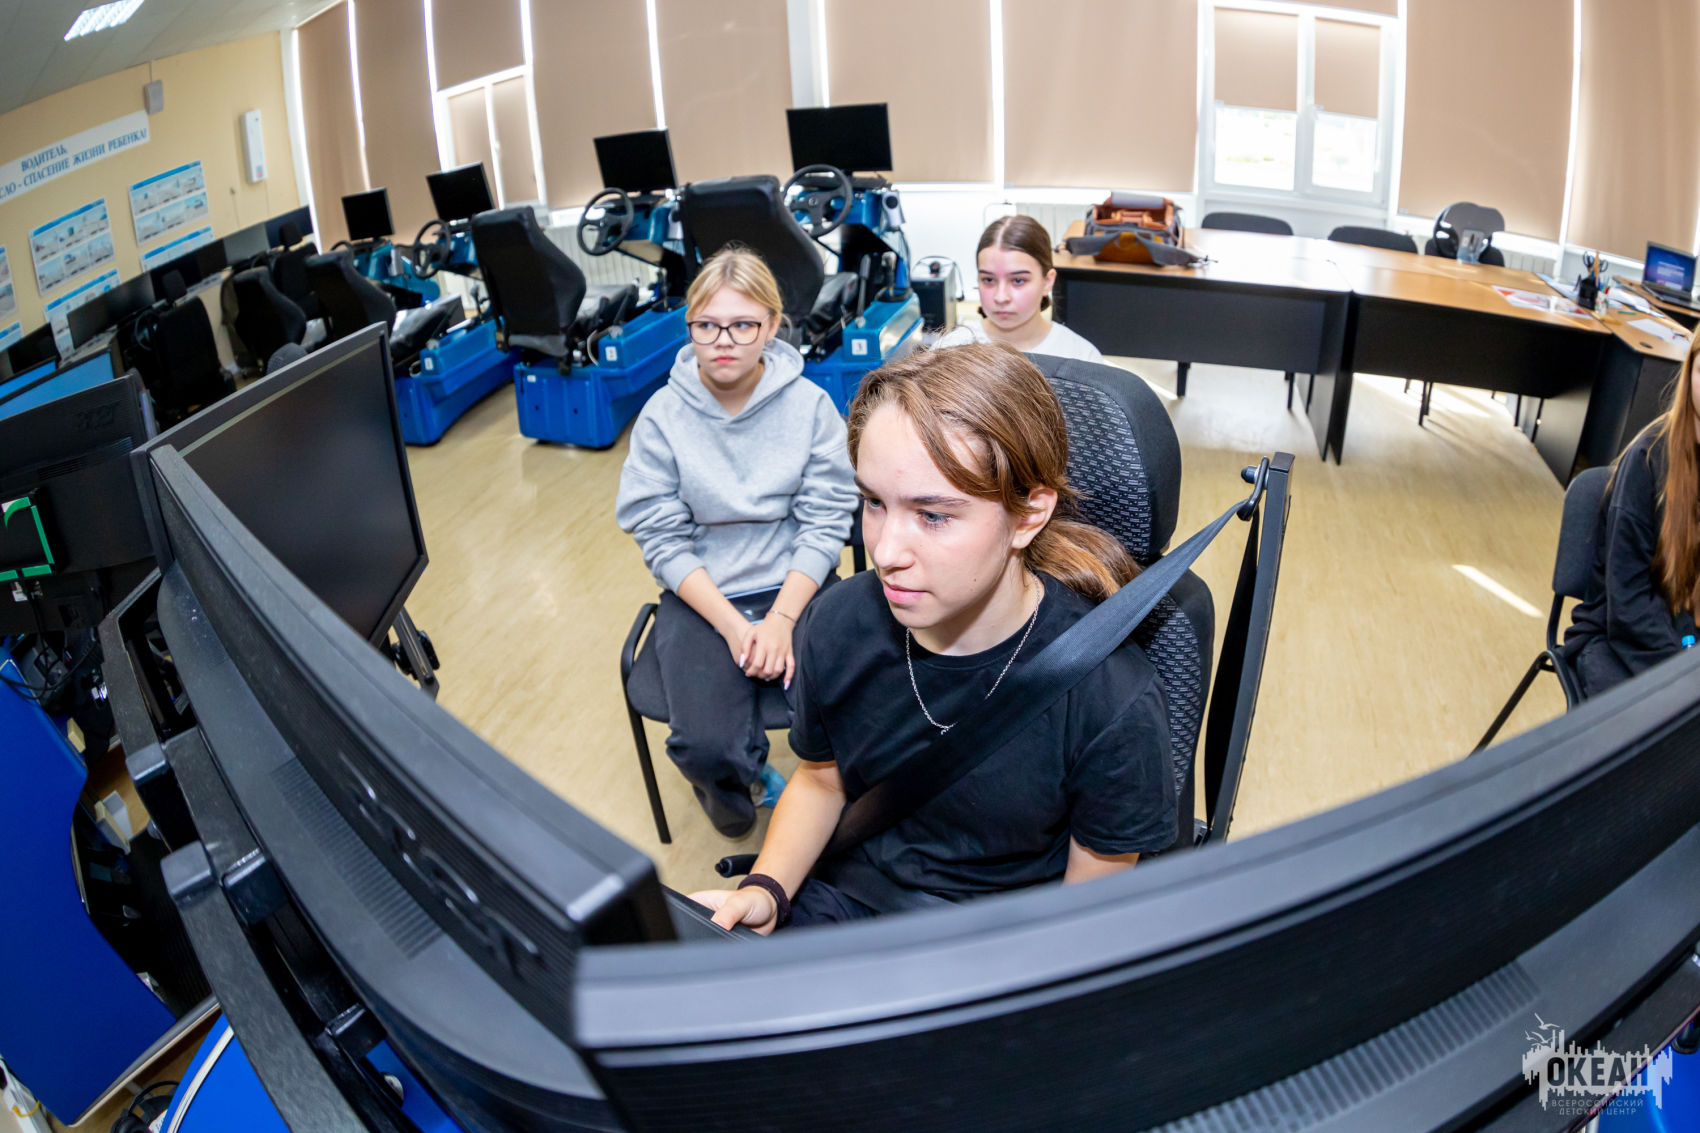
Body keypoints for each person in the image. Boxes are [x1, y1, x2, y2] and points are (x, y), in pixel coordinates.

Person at [690, 343, 1176, 932]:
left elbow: (1084, 915)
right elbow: (821, 780)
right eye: (874, 503)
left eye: (934, 515)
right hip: (852, 898)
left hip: (1004, 938)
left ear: (1028, 515)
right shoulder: (835, 624)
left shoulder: (1109, 696)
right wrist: (767, 889)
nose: (885, 552)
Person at [616, 246, 857, 837]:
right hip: (704, 594)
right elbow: (662, 537)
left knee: (853, 709)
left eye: (743, 325)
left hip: (797, 583)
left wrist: (781, 619)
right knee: (704, 745)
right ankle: (741, 786)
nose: (723, 341)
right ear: (690, 326)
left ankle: (838, 802)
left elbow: (825, 521)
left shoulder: (810, 407)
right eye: (707, 325)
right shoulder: (661, 417)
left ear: (772, 326)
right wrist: (732, 626)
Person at [1565, 333, 1700, 697]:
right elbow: (1627, 601)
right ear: (1690, 370)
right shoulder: (1647, 460)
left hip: (1685, 632)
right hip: (1620, 635)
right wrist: (1683, 666)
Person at [932, 215, 1104, 362]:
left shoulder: (1082, 358)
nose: (1001, 297)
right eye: (988, 279)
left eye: (1018, 280)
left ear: (1047, 282)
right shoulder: (947, 353)